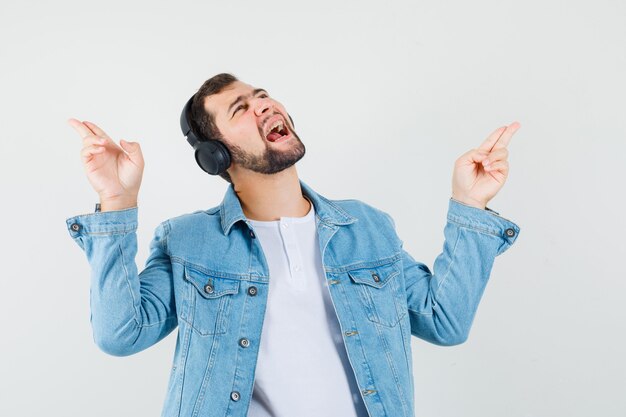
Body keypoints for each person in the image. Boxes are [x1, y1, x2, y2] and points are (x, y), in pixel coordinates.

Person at [65, 73, 521, 417]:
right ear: (214, 155)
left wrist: (470, 204)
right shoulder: (189, 242)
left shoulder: (366, 227)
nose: (262, 105)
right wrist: (117, 201)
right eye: (240, 109)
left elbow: (445, 322)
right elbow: (119, 335)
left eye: (262, 95)